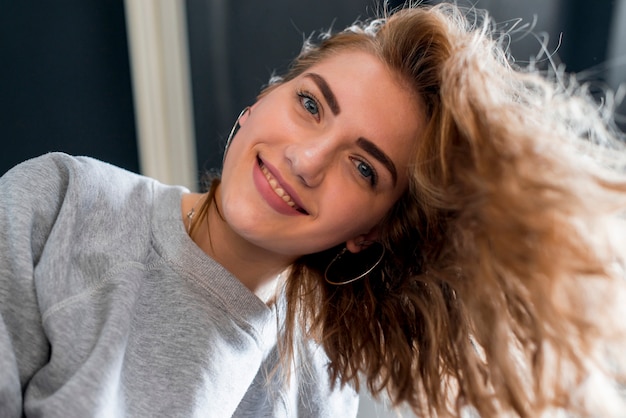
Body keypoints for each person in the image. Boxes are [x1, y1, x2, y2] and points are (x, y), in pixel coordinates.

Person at [1, 2, 625, 417]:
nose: (306, 159)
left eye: (363, 166)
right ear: (261, 98)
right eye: (309, 104)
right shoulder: (60, 204)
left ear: (369, 231)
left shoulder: (319, 384)